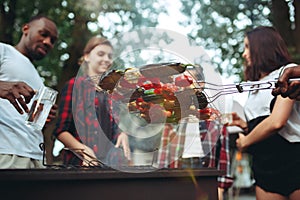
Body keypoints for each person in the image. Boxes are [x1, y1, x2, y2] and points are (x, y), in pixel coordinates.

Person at [228, 26, 300, 199]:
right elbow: (262, 125)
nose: (244, 54)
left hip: (293, 161)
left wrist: (245, 142)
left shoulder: (286, 73)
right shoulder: (254, 87)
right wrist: (245, 126)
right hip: (264, 166)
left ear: (262, 46)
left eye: (247, 47)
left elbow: (276, 122)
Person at [53, 36, 130, 167]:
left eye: (110, 56)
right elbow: (61, 131)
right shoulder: (74, 85)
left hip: (110, 166)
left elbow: (113, 128)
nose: (106, 59)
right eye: (101, 54)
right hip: (79, 165)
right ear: (87, 57)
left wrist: (122, 134)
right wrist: (83, 150)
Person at [0, 15, 58, 168]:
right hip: (7, 154)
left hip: (35, 158)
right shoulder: (3, 51)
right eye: (43, 34)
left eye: (53, 40)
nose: (47, 42)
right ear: (26, 29)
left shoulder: (36, 75)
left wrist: (43, 115)